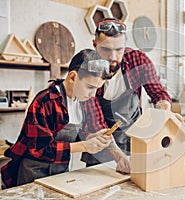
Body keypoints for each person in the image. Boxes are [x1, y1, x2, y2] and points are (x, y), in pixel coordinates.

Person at [1, 49, 130, 189]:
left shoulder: (85, 101)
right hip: (33, 173)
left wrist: (119, 157)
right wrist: (85, 146)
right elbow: (40, 149)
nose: (93, 95)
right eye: (90, 87)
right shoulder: (45, 101)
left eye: (97, 89)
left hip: (60, 172)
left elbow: (95, 129)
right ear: (73, 77)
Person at [81, 18, 184, 166]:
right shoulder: (87, 69)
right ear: (95, 45)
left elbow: (157, 92)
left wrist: (164, 111)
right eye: (106, 50)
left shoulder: (137, 60)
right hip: (100, 142)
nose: (113, 58)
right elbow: (95, 122)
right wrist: (118, 157)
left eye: (119, 50)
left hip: (134, 138)